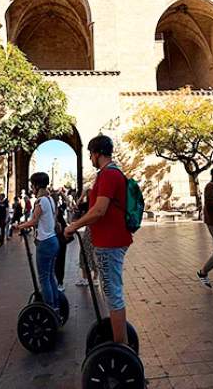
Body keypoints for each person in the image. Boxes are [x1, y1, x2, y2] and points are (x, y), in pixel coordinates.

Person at [65, 135, 133, 345]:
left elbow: (99, 210)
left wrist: (74, 225)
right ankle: (119, 339)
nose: (90, 158)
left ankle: (121, 346)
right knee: (110, 291)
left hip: (110, 242)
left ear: (97, 153)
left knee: (112, 293)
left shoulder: (109, 175)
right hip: (107, 240)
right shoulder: (107, 174)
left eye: (91, 154)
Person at [15, 172, 61, 310]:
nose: (31, 188)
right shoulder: (50, 199)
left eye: (32, 185)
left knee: (44, 278)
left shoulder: (40, 201)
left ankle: (50, 308)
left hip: (45, 243)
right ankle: (56, 306)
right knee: (50, 276)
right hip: (53, 240)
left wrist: (19, 226)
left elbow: (34, 220)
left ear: (36, 185)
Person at [73, 189, 98, 287]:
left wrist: (81, 196)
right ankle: (93, 278)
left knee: (86, 253)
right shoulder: (96, 204)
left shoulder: (91, 204)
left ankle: (87, 278)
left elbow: (76, 206)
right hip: (94, 230)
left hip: (91, 230)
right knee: (92, 253)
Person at [53, 191, 69, 291]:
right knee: (59, 261)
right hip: (60, 239)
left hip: (56, 239)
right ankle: (59, 282)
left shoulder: (54, 210)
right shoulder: (58, 209)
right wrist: (62, 194)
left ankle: (58, 282)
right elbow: (67, 201)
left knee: (56, 261)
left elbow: (67, 202)